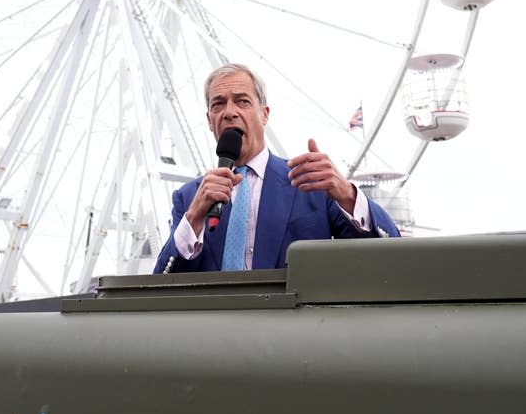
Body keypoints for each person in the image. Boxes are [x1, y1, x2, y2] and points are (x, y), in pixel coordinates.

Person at [153, 63, 400, 274]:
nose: (229, 112)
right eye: (218, 104)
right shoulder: (188, 198)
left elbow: (389, 253)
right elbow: (159, 284)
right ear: (209, 120)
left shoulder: (310, 183)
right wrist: (194, 217)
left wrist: (347, 194)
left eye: (242, 101)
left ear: (264, 114)